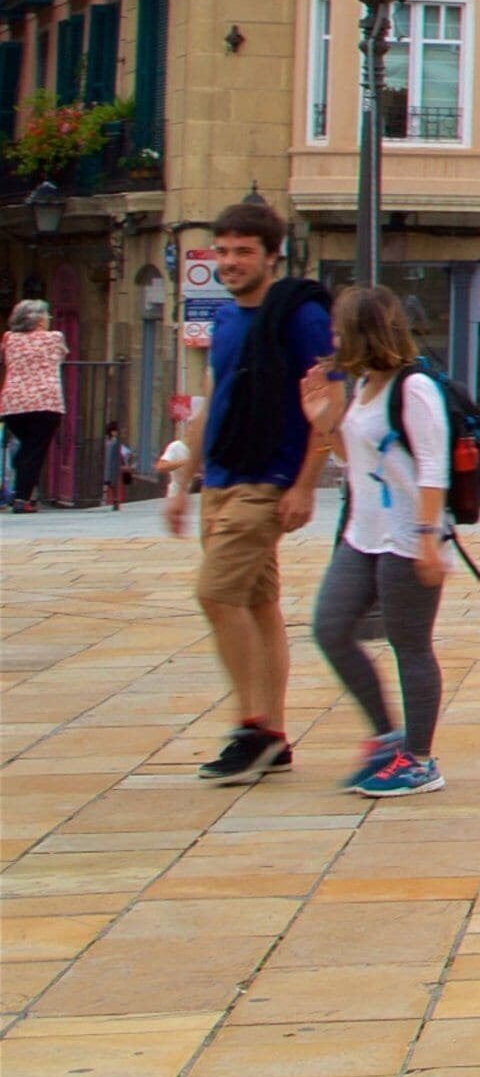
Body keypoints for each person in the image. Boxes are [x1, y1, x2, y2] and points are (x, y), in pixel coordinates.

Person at [168, 199, 336, 786]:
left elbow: (327, 404)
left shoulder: (299, 315)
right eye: (223, 250)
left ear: (272, 255)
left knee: (216, 595)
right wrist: (182, 478)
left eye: (244, 251)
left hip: (266, 478)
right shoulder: (225, 319)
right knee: (259, 606)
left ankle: (253, 726)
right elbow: (212, 399)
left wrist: (306, 486)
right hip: (221, 478)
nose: (230, 261)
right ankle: (276, 737)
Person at [301, 286, 450, 799]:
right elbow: (356, 462)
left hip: (408, 538)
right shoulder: (365, 385)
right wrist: (326, 426)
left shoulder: (413, 388)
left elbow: (433, 466)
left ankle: (420, 759)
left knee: (410, 645)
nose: (333, 336)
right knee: (330, 626)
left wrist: (429, 538)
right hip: (362, 535)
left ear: (364, 331)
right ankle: (389, 739)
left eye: (340, 326)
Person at [3, 299, 64, 511]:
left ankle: (21, 489)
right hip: (45, 402)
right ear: (38, 320)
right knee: (35, 450)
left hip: (13, 403)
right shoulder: (54, 338)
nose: (48, 320)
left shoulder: (9, 338)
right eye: (46, 317)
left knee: (27, 448)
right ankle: (23, 499)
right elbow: (61, 356)